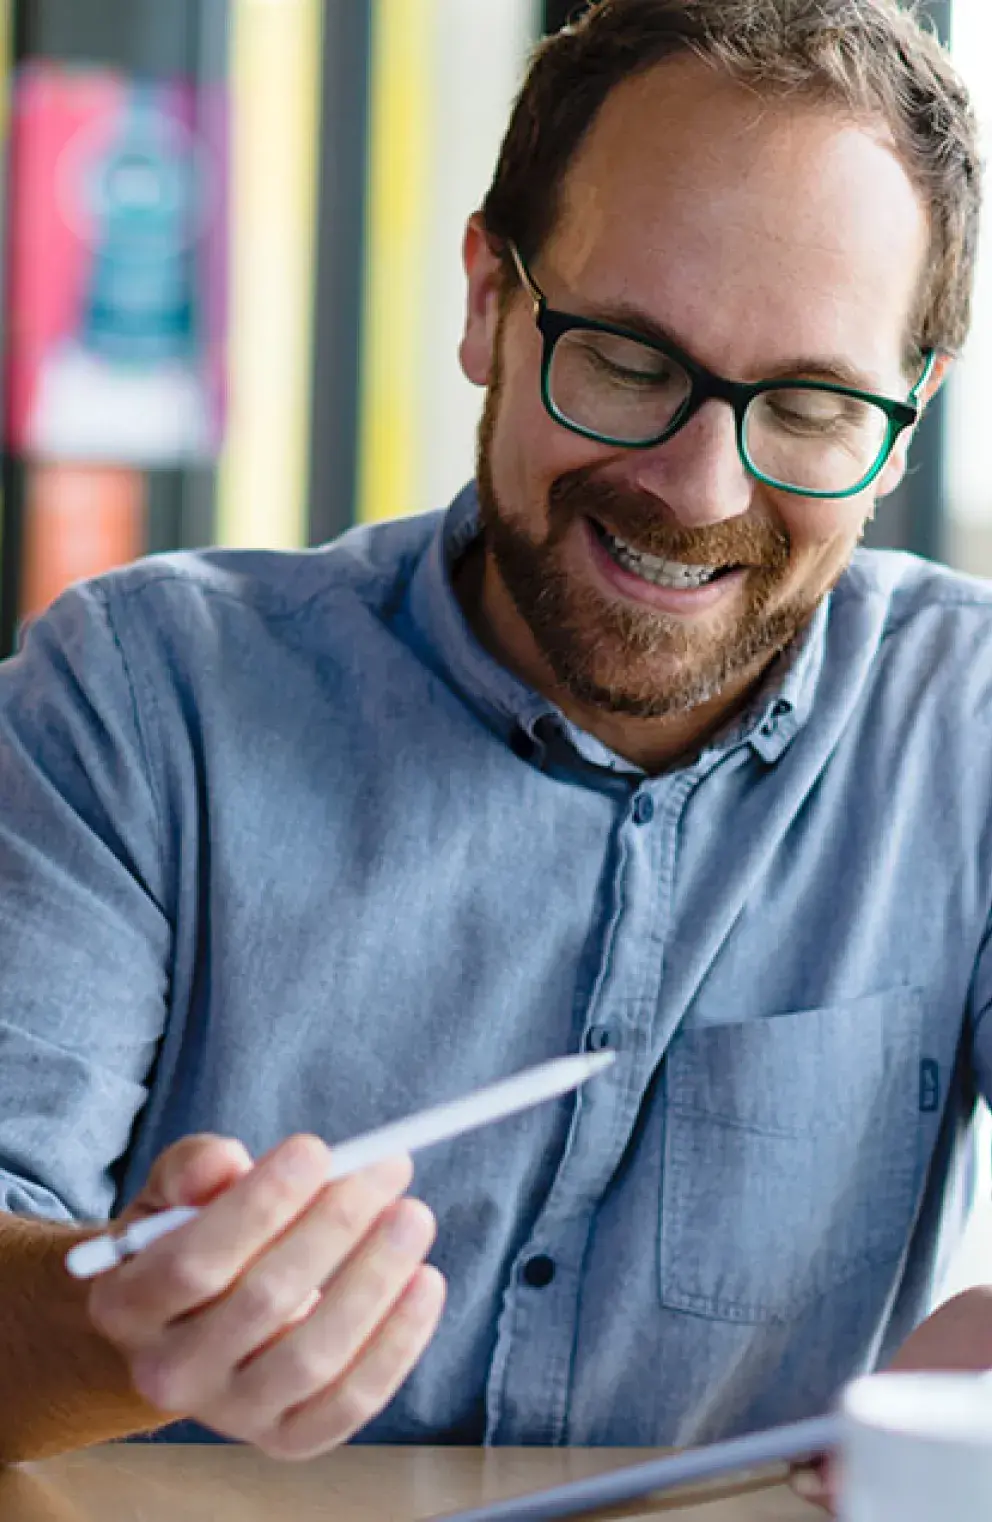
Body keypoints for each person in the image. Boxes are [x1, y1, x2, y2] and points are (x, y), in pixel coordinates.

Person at [0, 0, 988, 1505]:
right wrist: (120, 1325)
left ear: (905, 424)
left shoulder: (969, 732)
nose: (698, 487)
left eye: (806, 405)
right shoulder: (139, 705)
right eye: (629, 359)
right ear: (488, 303)